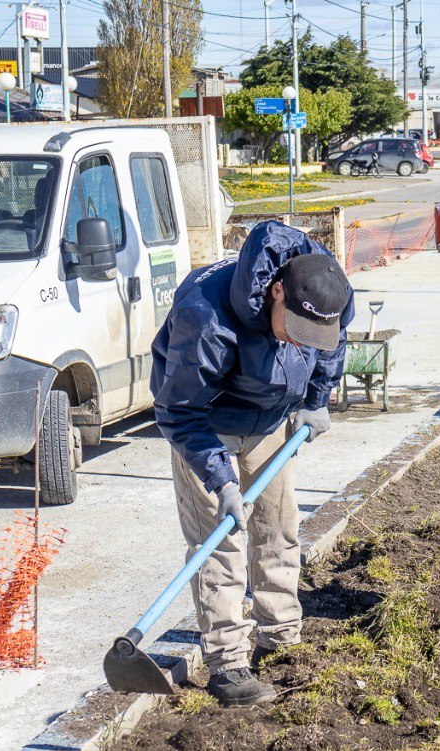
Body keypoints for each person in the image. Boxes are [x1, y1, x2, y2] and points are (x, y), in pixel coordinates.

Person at [151, 221, 355, 706]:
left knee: (279, 528)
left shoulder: (328, 287)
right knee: (218, 541)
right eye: (297, 331)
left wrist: (317, 397)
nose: (304, 343)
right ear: (276, 292)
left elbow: (333, 341)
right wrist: (219, 480)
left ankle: (280, 639)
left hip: (271, 421)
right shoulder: (206, 318)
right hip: (209, 423)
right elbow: (178, 411)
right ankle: (227, 663)